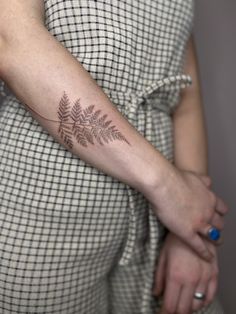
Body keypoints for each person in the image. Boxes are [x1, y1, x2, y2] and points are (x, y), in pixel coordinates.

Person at [0, 1, 228, 313]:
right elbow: (13, 43)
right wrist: (169, 187)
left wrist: (191, 232)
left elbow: (185, 88)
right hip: (44, 201)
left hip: (163, 214)